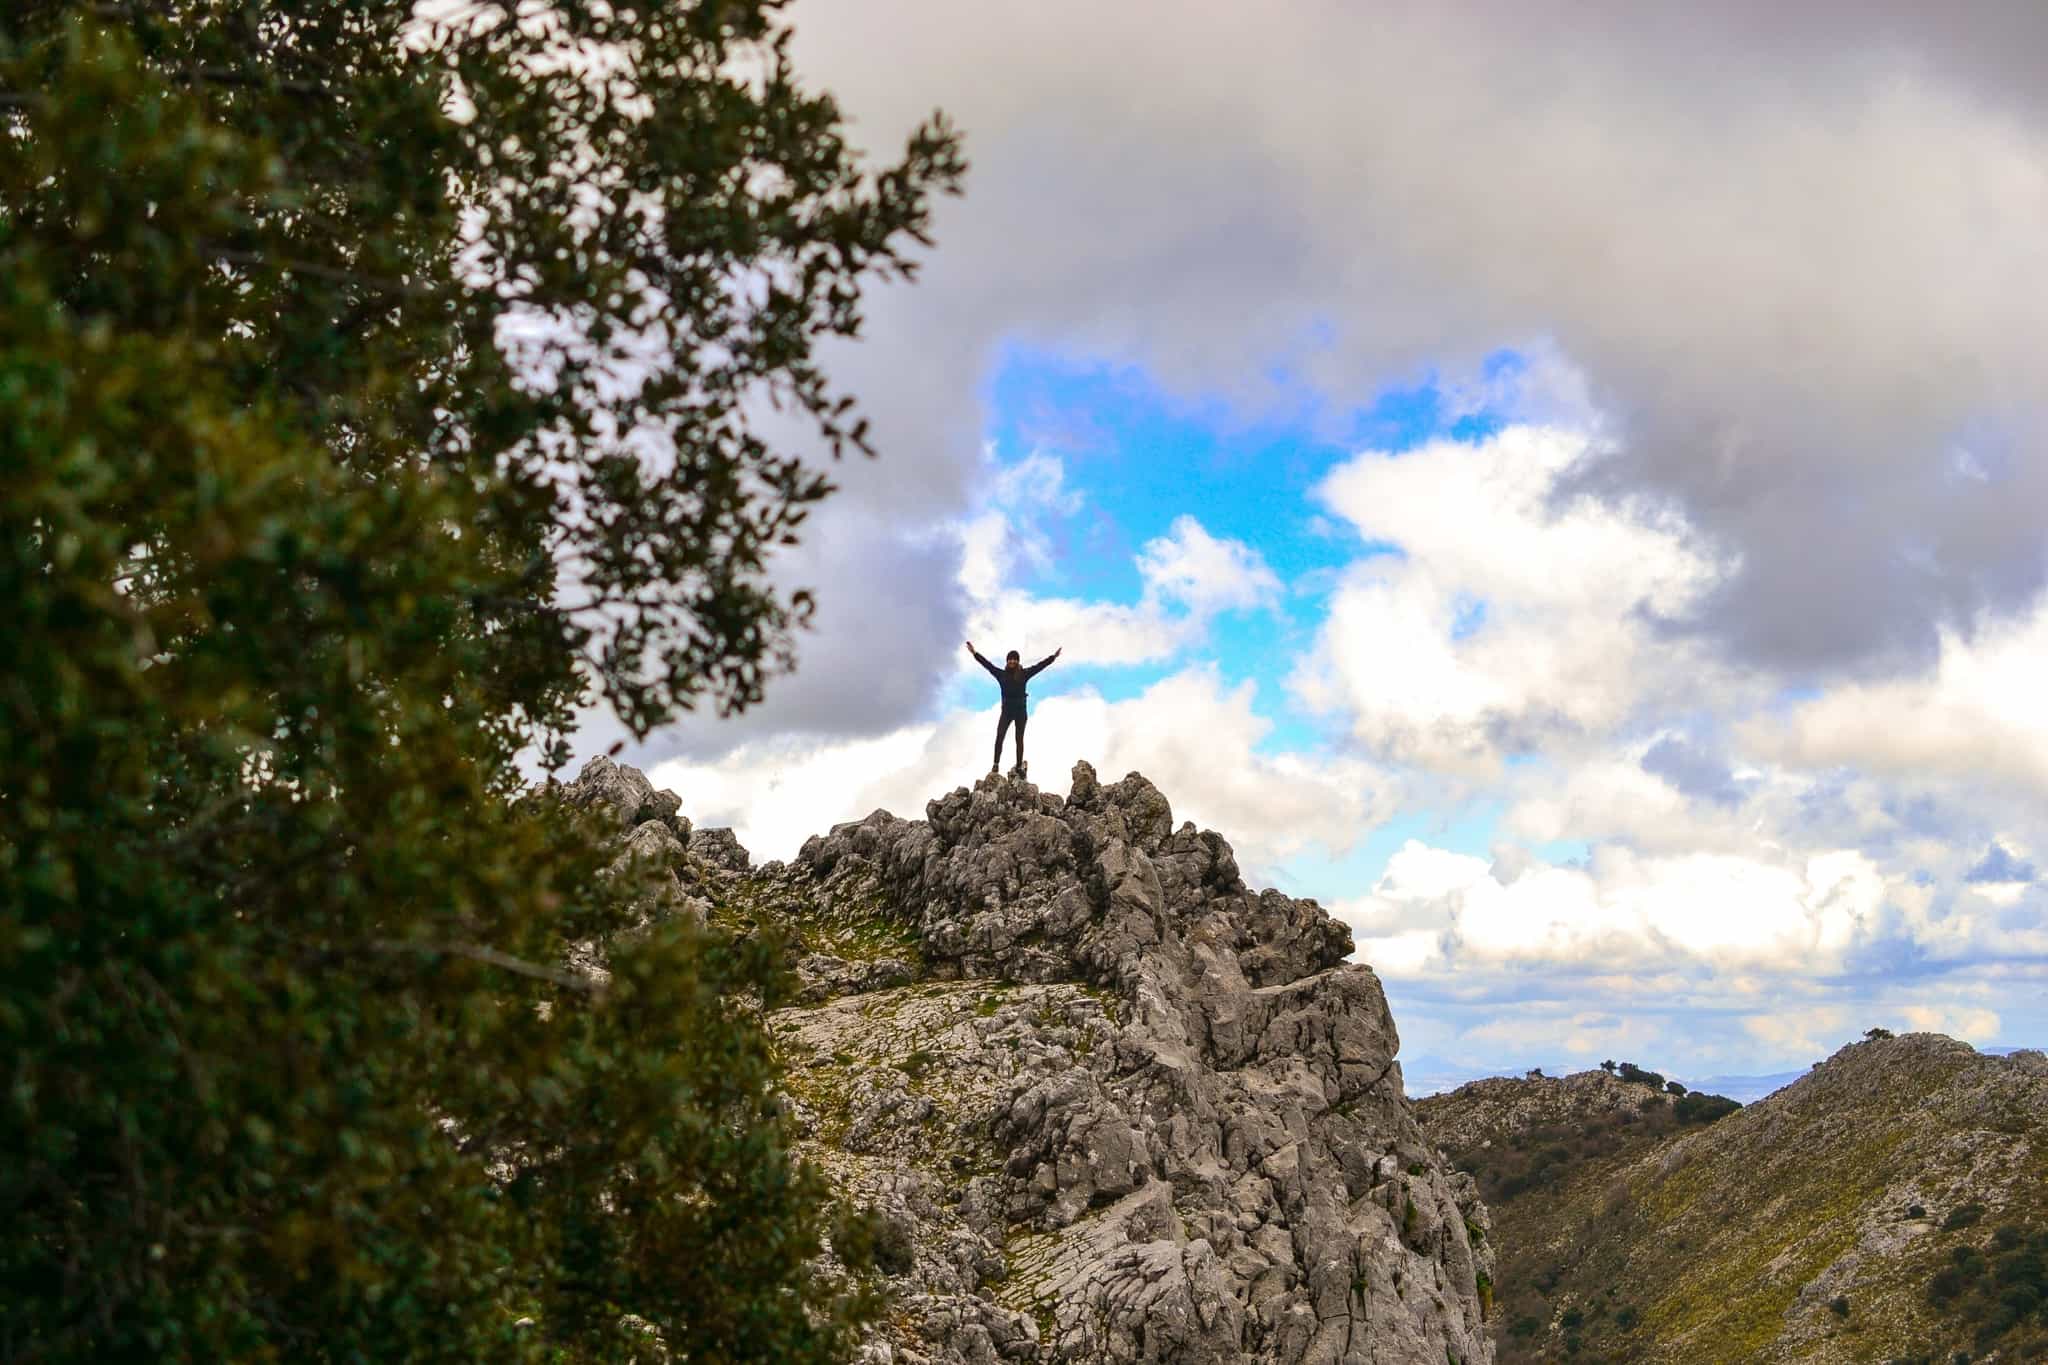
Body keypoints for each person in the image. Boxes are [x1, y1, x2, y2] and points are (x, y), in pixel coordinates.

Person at [966, 640, 1061, 776]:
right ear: (1007, 661)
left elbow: (1040, 666)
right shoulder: (1001, 675)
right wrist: (974, 653)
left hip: (1021, 712)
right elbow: (987, 665)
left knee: (1019, 739)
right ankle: (996, 764)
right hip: (1006, 712)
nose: (1012, 661)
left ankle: (1018, 766)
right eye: (1010, 659)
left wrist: (1053, 657)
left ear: (1017, 661)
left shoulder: (1024, 674)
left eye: (1014, 659)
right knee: (999, 736)